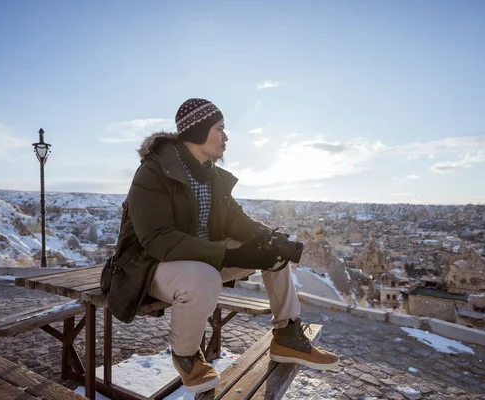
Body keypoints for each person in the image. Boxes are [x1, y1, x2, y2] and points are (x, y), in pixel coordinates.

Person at [117, 98, 339, 393]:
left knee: (272, 253)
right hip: (148, 267)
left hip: (199, 261)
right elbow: (157, 240)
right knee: (204, 276)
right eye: (220, 129)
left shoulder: (210, 175)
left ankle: (287, 335)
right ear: (198, 131)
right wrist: (229, 254)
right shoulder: (153, 172)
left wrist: (271, 238)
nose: (226, 136)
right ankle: (185, 355)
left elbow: (235, 220)